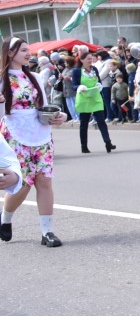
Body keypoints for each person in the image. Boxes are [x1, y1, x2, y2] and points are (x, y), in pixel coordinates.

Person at [0, 37, 68, 247]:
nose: (28, 53)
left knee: (44, 181)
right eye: (23, 50)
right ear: (9, 53)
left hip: (41, 134)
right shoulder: (2, 79)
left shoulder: (36, 77)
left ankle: (47, 232)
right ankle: (6, 218)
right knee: (22, 184)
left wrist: (59, 116)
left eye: (28, 50)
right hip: (14, 134)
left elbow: (44, 107)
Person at [72, 52, 116, 154]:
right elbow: (73, 85)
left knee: (101, 121)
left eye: (91, 58)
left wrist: (98, 85)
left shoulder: (94, 69)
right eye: (88, 59)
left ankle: (108, 143)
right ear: (81, 60)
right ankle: (84, 146)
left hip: (96, 98)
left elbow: (99, 81)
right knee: (84, 124)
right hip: (84, 99)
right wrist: (79, 87)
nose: (90, 60)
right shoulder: (77, 71)